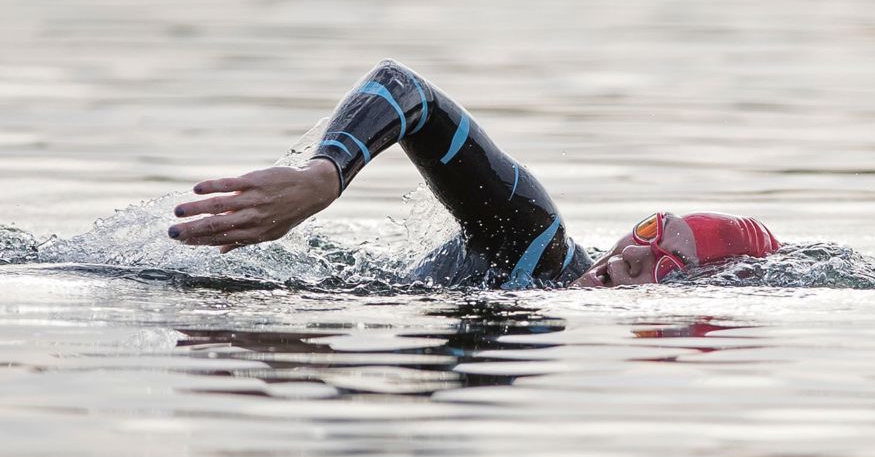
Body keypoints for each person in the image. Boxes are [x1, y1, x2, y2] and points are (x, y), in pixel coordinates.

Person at [168, 59, 780, 288]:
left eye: (669, 263)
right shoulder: (536, 241)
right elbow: (405, 89)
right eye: (652, 230)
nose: (637, 256)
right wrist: (323, 176)